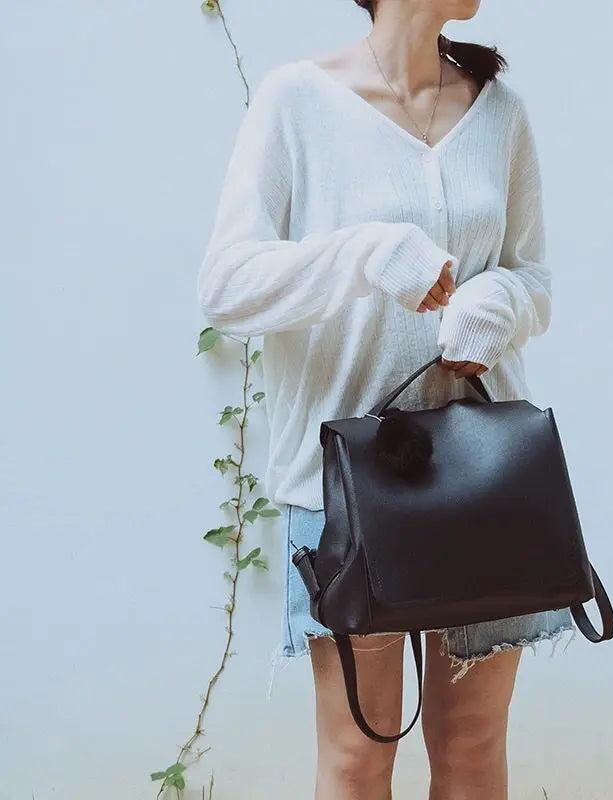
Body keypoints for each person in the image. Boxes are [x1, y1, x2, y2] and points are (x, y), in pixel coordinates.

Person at [197, 1, 576, 796]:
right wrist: (368, 254)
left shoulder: (499, 112)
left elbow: (534, 280)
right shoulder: (297, 101)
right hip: (346, 490)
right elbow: (227, 285)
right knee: (357, 756)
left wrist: (497, 301)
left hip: (486, 480)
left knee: (473, 746)